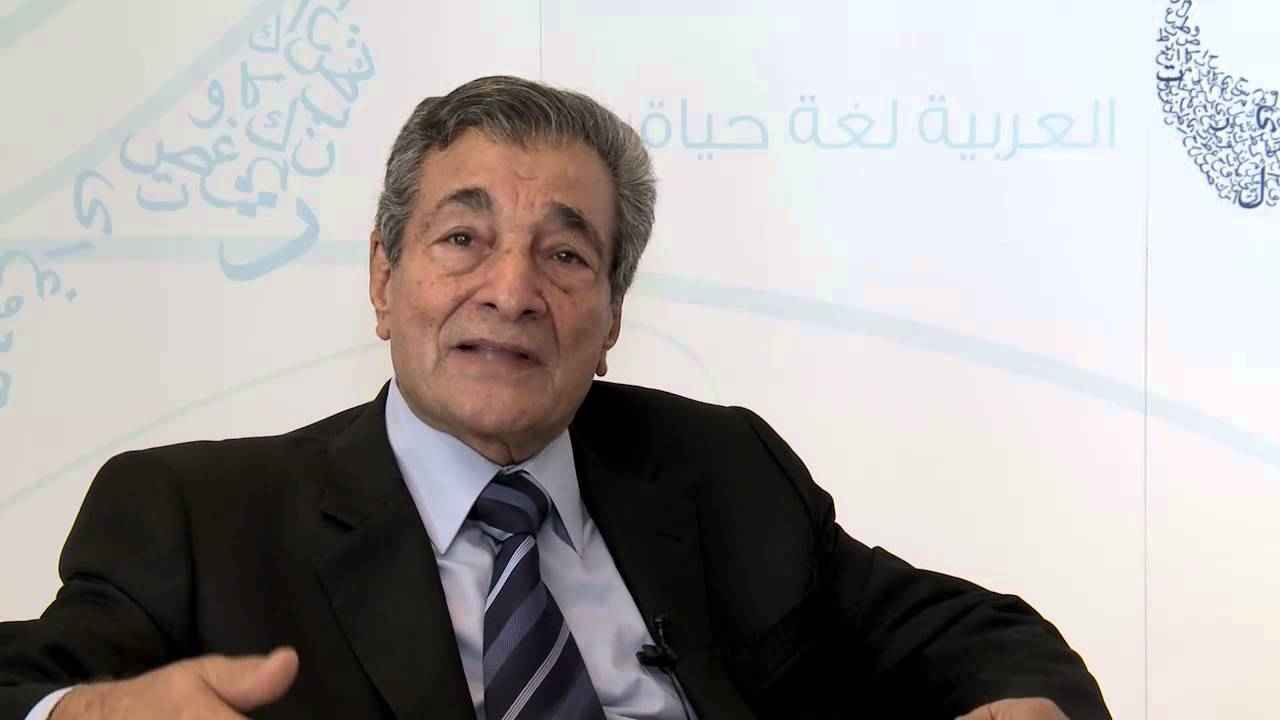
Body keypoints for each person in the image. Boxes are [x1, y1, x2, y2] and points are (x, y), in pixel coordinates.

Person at [0, 76, 1110, 720]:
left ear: (612, 315)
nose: (512, 290)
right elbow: (28, 684)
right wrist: (77, 714)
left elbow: (978, 636)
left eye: (566, 255)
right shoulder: (201, 518)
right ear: (383, 279)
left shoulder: (720, 473)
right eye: (463, 238)